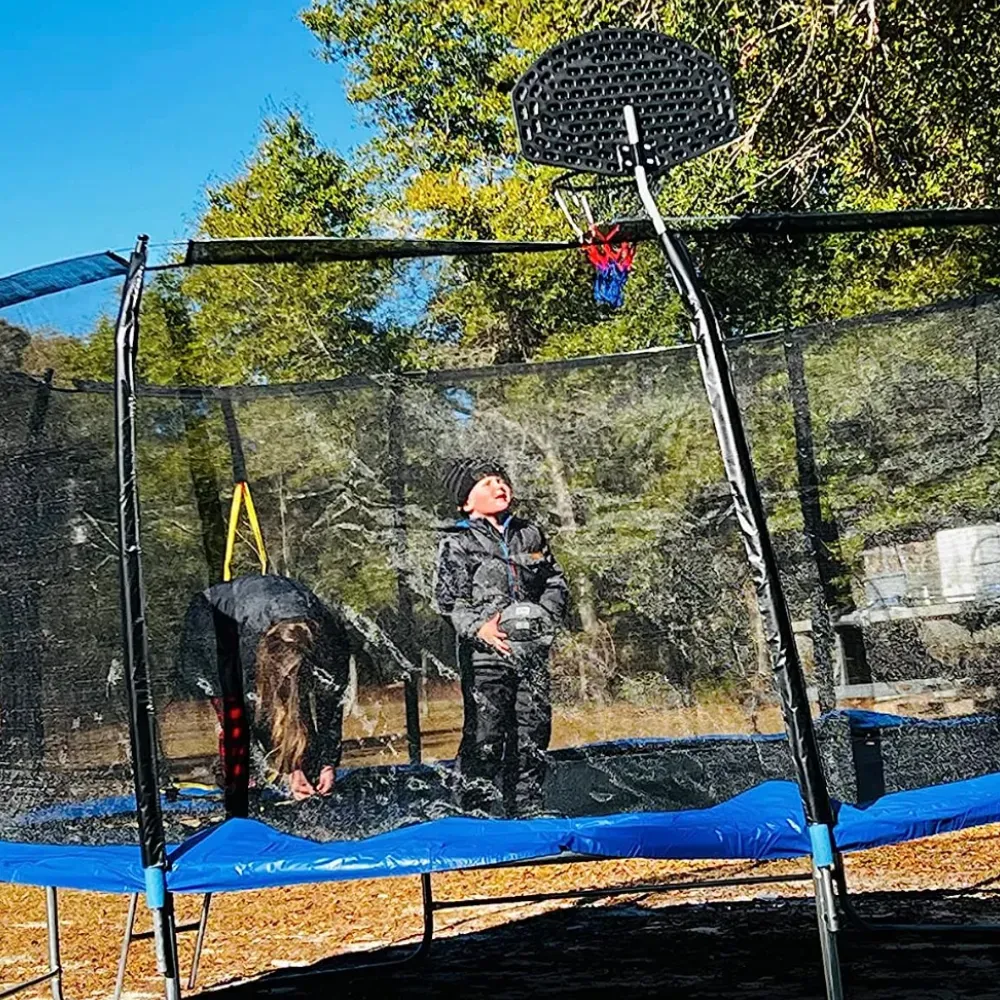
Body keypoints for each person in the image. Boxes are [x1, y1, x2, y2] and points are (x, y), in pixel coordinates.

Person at [434, 457, 569, 818]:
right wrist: (480, 628)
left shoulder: (530, 533)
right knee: (485, 733)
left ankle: (526, 806)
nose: (498, 486)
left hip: (531, 652)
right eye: (486, 483)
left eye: (500, 479)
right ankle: (473, 810)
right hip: (485, 657)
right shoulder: (457, 542)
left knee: (532, 728)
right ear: (465, 502)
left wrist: (546, 617)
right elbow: (449, 601)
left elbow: (554, 581)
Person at [176, 573, 350, 817]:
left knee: (297, 716)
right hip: (214, 619)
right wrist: (290, 768)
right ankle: (241, 787)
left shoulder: (331, 642)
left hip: (267, 609)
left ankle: (305, 772)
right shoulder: (247, 649)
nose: (288, 678)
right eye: (284, 672)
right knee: (235, 717)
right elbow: (258, 713)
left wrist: (328, 762)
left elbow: (331, 704)